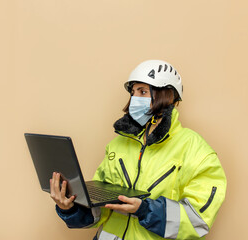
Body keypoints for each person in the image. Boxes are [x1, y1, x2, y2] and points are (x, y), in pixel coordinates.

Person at [50, 60, 227, 240]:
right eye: (133, 92)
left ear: (168, 96)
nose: (135, 99)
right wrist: (70, 207)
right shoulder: (117, 145)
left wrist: (144, 210)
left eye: (143, 92)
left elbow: (198, 220)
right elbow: (99, 211)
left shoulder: (197, 150)